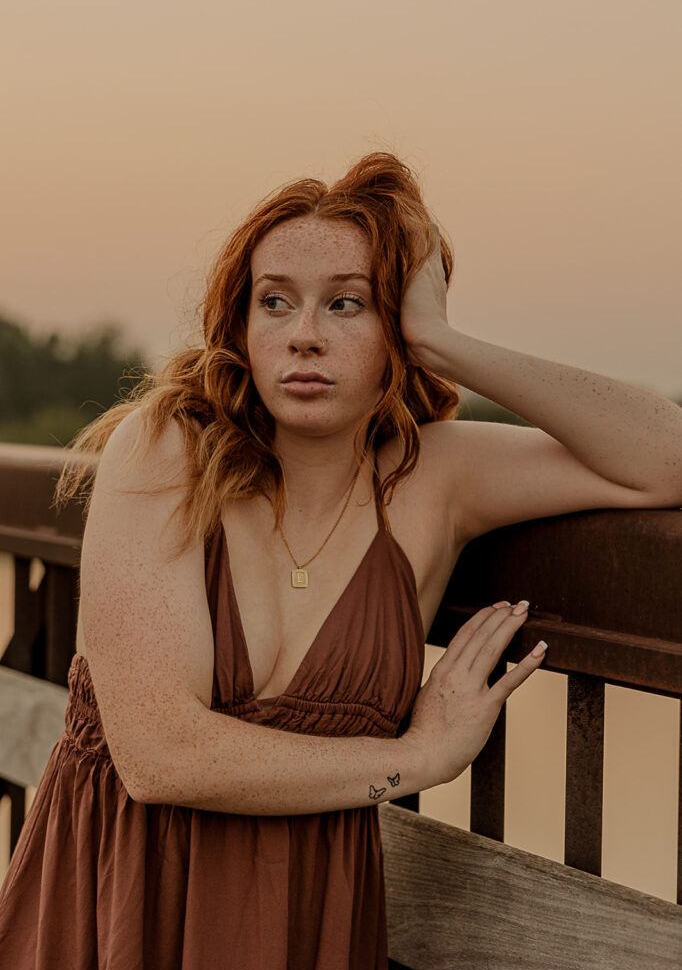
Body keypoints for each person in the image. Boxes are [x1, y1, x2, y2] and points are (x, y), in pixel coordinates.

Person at [0, 152, 679, 970]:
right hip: (127, 899)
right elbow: (159, 757)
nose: (305, 336)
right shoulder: (167, 447)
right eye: (274, 302)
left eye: (348, 304)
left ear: (397, 330)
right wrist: (417, 759)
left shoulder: (436, 476)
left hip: (306, 916)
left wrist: (444, 340)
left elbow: (666, 459)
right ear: (241, 328)